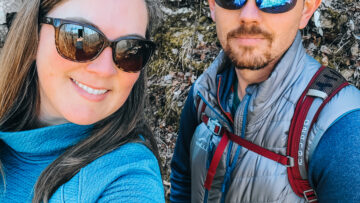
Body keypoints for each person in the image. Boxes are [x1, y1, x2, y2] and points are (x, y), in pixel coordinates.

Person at [170, 0, 360, 202]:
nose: (248, 15)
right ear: (212, 6)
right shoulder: (204, 92)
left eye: (274, 0)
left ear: (307, 9)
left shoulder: (342, 130)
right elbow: (183, 182)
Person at [0, 0, 165, 202]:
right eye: (79, 37)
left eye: (131, 50)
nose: (104, 71)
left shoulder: (129, 177)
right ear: (33, 36)